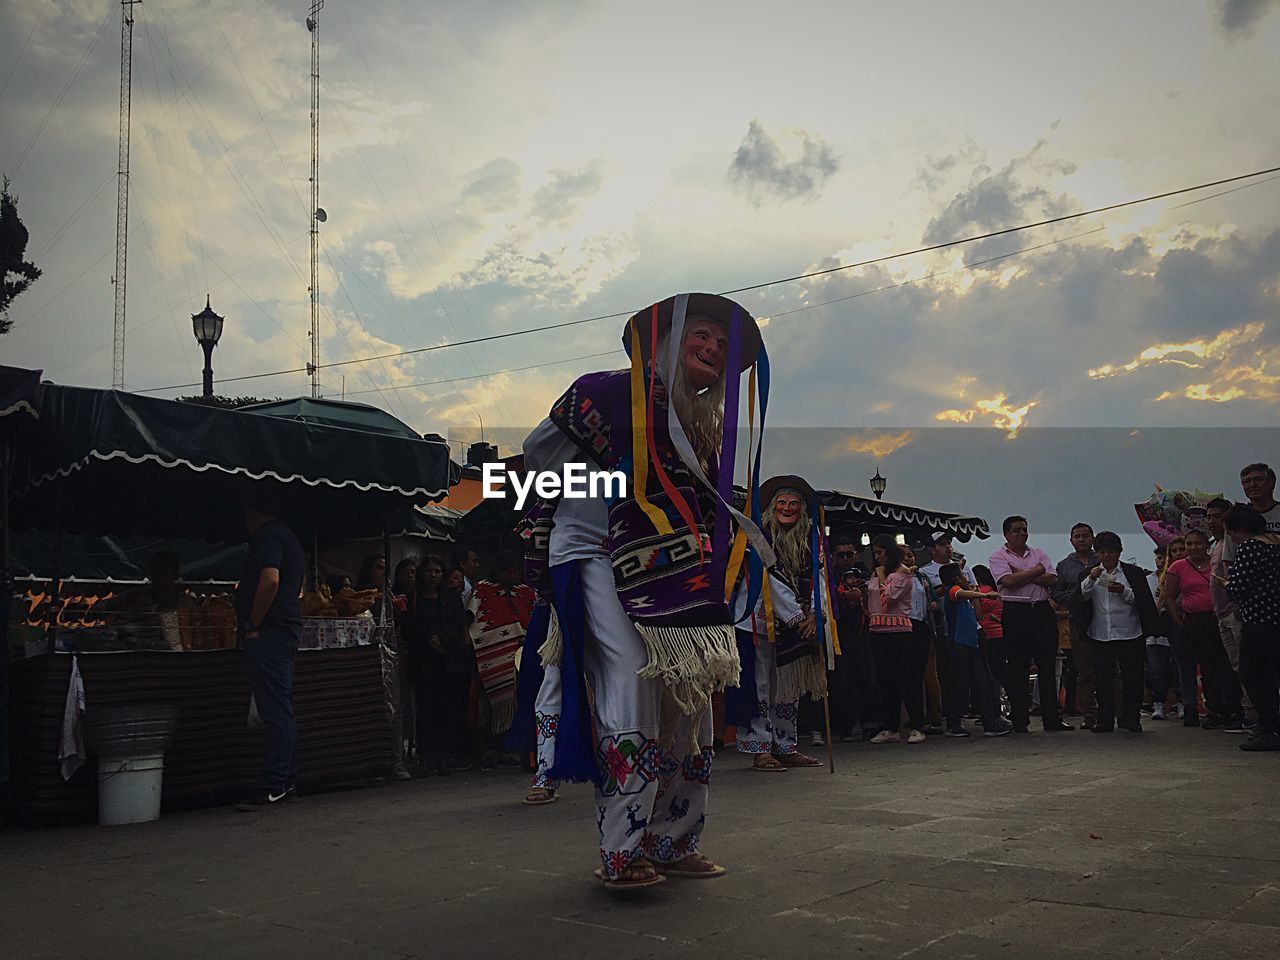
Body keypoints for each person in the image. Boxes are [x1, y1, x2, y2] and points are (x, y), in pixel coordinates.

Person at [520, 292, 769, 889]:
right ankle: (622, 849)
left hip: (669, 569)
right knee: (632, 679)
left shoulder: (701, 431)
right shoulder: (604, 391)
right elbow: (535, 455)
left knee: (688, 690)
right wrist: (611, 482)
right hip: (593, 552)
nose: (711, 347)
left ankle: (674, 838)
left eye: (720, 343)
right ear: (666, 339)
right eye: (699, 334)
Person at [727, 476, 828, 771]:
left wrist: (816, 615)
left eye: (794, 504)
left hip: (796, 624)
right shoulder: (757, 537)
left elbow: (821, 579)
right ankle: (760, 748)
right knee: (759, 685)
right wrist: (798, 618)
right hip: (757, 620)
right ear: (773, 506)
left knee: (786, 687)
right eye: (782, 503)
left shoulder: (811, 541)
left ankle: (785, 744)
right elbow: (771, 581)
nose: (787, 508)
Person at [234, 502, 305, 811]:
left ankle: (275, 783)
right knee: (281, 705)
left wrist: (253, 623)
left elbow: (271, 580)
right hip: (282, 628)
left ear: (253, 512)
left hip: (270, 630)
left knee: (275, 708)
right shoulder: (288, 535)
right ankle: (285, 780)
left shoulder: (268, 535)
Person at [988, 517, 1072, 734]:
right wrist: (1036, 572)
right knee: (1018, 666)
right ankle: (1020, 720)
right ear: (1006, 533)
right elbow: (1007, 582)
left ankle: (1051, 719)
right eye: (1017, 530)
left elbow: (1052, 578)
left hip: (1042, 610)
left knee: (1047, 665)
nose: (1022, 533)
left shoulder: (1039, 553)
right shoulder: (998, 556)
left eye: (1025, 529)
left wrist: (1021, 574)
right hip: (1016, 611)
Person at [1077, 532, 1160, 733]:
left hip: (1129, 631)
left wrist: (1123, 591)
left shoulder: (1133, 573)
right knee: (1102, 677)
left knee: (1132, 676)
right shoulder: (1090, 574)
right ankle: (1104, 719)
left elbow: (1142, 601)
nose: (1107, 556)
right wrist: (1090, 579)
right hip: (1100, 632)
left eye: (1111, 552)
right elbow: (1080, 598)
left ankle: (1131, 718)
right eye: (1102, 552)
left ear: (1119, 552)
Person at [1166, 529, 1245, 732]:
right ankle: (1214, 709)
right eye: (1189, 544)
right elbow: (1169, 596)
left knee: (1226, 665)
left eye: (1197, 544)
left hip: (1218, 619)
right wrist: (1177, 620)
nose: (1193, 548)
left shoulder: (1216, 563)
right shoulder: (1178, 566)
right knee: (1206, 668)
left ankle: (1233, 708)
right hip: (1193, 622)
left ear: (1206, 545)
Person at [405, 554, 472, 775]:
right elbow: (409, 627)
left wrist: (443, 639)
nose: (433, 575)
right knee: (426, 709)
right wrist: (428, 638)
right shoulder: (413, 598)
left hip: (448, 659)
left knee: (447, 708)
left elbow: (459, 622)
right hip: (424, 660)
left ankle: (445, 755)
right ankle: (428, 757)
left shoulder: (450, 596)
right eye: (429, 571)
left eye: (437, 571)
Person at [468, 551, 536, 770]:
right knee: (492, 704)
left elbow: (534, 615)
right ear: (498, 571)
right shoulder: (482, 589)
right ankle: (492, 749)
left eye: (516, 572)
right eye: (509, 572)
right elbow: (472, 614)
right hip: (492, 653)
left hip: (524, 653)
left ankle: (514, 748)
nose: (513, 576)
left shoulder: (525, 591)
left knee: (523, 702)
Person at [1222, 505, 1280, 751]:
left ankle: (1269, 725)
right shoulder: (1275, 543)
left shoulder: (1250, 547)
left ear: (1241, 529)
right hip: (1275, 618)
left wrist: (1227, 583)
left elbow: (1239, 587)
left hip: (1258, 619)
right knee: (1271, 673)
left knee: (1252, 673)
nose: (1231, 538)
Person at [939, 564, 1012, 738]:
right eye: (963, 575)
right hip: (958, 645)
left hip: (972, 644)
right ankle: (954, 723)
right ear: (957, 579)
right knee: (961, 685)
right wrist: (985, 594)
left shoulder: (968, 598)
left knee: (982, 682)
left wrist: (976, 597)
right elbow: (959, 593)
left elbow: (979, 615)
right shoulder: (953, 591)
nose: (966, 577)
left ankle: (990, 721)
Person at [866, 535, 926, 744]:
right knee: (885, 681)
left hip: (899, 633)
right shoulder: (876, 574)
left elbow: (888, 599)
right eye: (874, 553)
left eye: (880, 552)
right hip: (877, 631)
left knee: (907, 679)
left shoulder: (902, 574)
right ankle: (891, 727)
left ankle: (917, 725)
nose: (877, 557)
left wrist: (882, 576)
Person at [1207, 497, 1253, 725]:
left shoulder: (1234, 541)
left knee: (1247, 665)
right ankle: (1248, 712)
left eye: (1218, 517)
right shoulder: (1216, 544)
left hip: (1236, 611)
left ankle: (1255, 715)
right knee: (1236, 666)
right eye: (1209, 517)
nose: (1212, 521)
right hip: (1222, 613)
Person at [830, 535, 880, 740]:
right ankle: (845, 724)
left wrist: (861, 592)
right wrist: (843, 596)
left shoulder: (864, 573)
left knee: (868, 679)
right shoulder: (828, 576)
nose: (845, 559)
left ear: (856, 554)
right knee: (843, 681)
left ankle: (870, 721)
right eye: (840, 555)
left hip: (864, 633)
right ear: (833, 556)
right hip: (840, 634)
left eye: (849, 554)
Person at [1053, 523, 1101, 729]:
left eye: (1085, 536)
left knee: (1110, 669)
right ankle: (1089, 713)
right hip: (1077, 620)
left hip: (1105, 618)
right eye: (1077, 536)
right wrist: (1077, 596)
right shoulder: (1064, 565)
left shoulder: (1102, 560)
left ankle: (1115, 709)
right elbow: (1056, 593)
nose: (1081, 539)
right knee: (1084, 670)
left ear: (1093, 538)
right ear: (1071, 540)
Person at [1145, 549, 1179, 721]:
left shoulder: (1178, 577)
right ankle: (1158, 703)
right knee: (1155, 670)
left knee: (1176, 668)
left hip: (1174, 626)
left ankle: (1180, 702)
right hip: (1155, 631)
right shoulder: (1148, 580)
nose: (1161, 561)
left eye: (1165, 558)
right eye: (1159, 557)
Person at [1239, 462, 1280, 533]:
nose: (1253, 485)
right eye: (1247, 481)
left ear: (1272, 482)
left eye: (1258, 479)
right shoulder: (1236, 518)